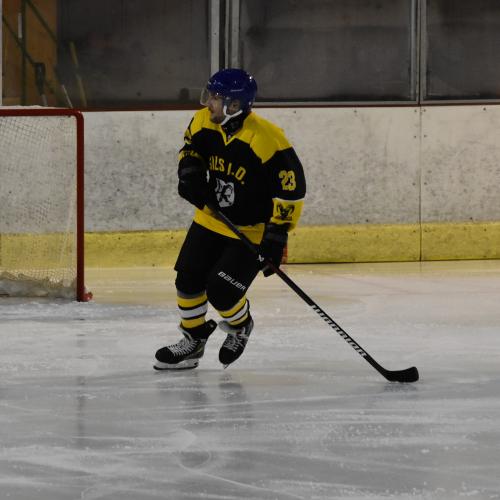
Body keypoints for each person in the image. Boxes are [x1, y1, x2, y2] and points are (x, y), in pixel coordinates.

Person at [154, 68, 306, 370]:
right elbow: (190, 149)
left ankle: (240, 326)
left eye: (215, 98)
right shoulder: (203, 120)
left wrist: (277, 235)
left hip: (249, 231)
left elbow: (291, 190)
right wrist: (189, 171)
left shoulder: (267, 139)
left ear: (234, 105)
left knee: (223, 292)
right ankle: (194, 340)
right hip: (210, 219)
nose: (208, 103)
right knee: (187, 280)